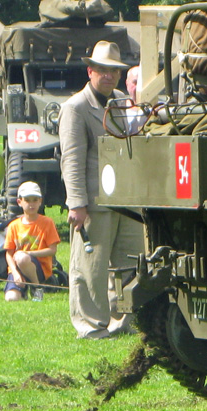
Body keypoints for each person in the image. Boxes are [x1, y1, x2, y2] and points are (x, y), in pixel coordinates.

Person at [59, 41, 143, 338]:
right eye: (103, 70)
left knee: (131, 263)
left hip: (126, 200)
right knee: (90, 268)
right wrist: (76, 204)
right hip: (94, 202)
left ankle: (123, 321)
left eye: (114, 71)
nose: (109, 76)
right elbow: (71, 160)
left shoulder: (122, 100)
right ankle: (91, 325)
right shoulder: (76, 107)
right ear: (90, 71)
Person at [3, 181, 60, 302]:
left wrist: (28, 254)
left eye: (35, 200)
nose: (31, 204)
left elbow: (52, 250)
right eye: (27, 200)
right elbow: (9, 254)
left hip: (38, 268)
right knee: (11, 298)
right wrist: (15, 273)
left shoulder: (47, 222)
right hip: (18, 269)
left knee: (21, 257)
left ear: (40, 201)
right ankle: (22, 291)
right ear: (19, 202)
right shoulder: (13, 226)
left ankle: (36, 287)